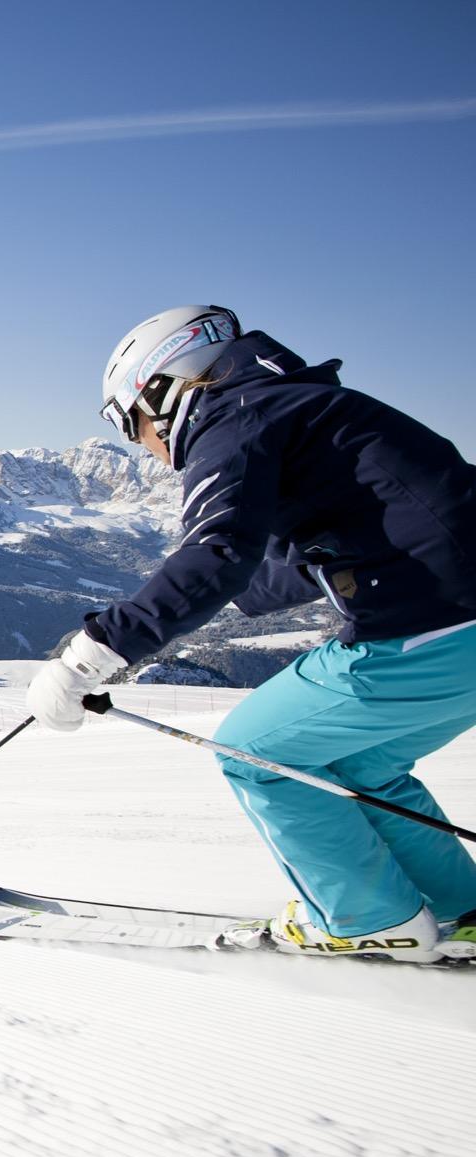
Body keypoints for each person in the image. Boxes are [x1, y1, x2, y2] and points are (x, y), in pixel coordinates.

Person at [29, 305, 476, 962]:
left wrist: (92, 655)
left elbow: (216, 552)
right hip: (454, 629)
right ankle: (457, 905)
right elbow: (303, 559)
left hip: (430, 630)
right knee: (359, 764)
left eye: (132, 425)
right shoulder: (296, 405)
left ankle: (366, 918)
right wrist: (189, 614)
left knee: (253, 751)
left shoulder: (233, 419)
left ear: (162, 390)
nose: (143, 445)